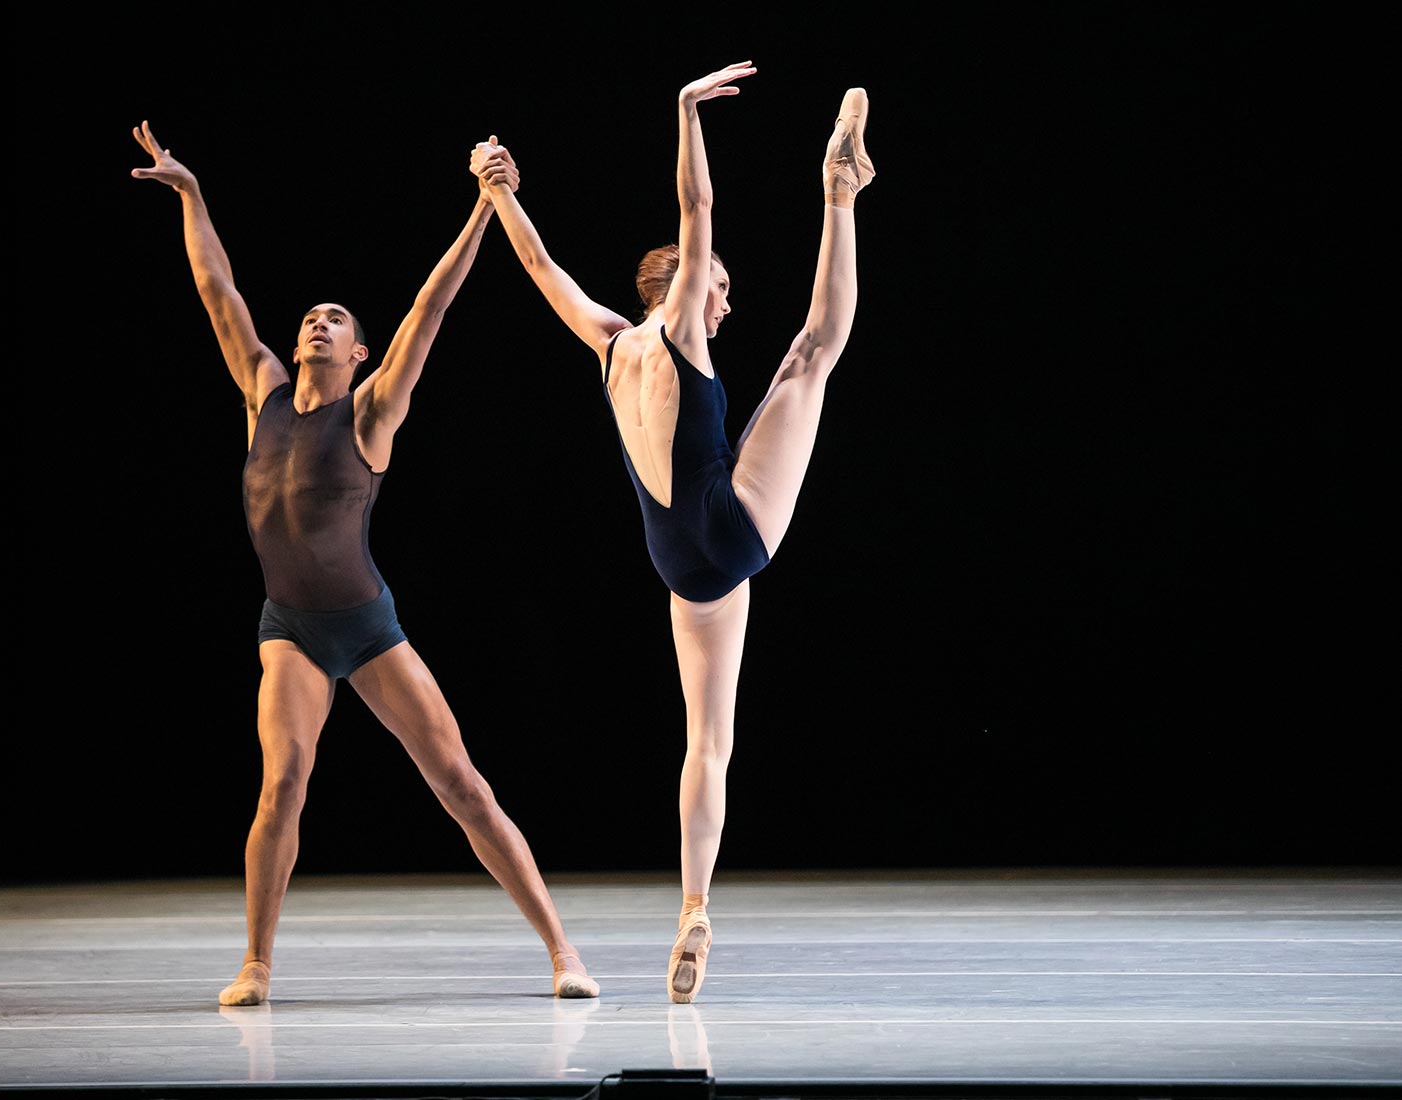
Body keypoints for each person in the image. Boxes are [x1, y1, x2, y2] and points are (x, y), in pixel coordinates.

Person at [130, 119, 599, 1006]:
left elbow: (430, 308)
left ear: (359, 354)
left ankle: (564, 953)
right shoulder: (263, 393)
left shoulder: (372, 412)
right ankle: (256, 966)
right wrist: (191, 194)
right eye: (311, 316)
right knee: (282, 782)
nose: (319, 322)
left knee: (462, 785)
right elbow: (216, 289)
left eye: (336, 320)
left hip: (368, 626)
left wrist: (484, 207)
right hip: (290, 628)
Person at [469, 62, 874, 1003]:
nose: (724, 299)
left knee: (706, 742)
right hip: (728, 527)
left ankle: (695, 908)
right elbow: (698, 206)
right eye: (716, 284)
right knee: (811, 355)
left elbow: (539, 267)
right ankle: (840, 193)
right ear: (680, 287)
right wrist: (686, 112)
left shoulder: (608, 343)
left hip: (678, 562)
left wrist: (499, 195)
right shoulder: (679, 325)